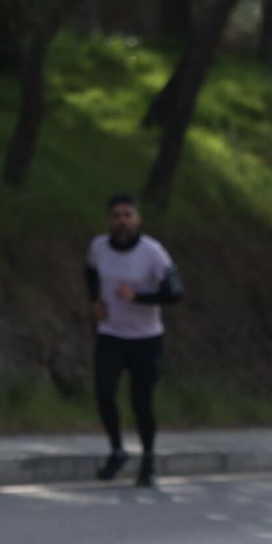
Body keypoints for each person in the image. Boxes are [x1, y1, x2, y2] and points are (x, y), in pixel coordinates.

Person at [85, 193, 184, 487]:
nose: (122, 221)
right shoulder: (98, 247)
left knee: (141, 402)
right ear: (110, 220)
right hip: (111, 334)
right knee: (104, 391)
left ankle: (149, 461)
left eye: (128, 215)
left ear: (138, 219)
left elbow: (175, 292)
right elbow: (89, 271)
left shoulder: (153, 252)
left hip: (146, 339)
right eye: (116, 215)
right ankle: (117, 450)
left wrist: (139, 297)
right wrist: (94, 300)